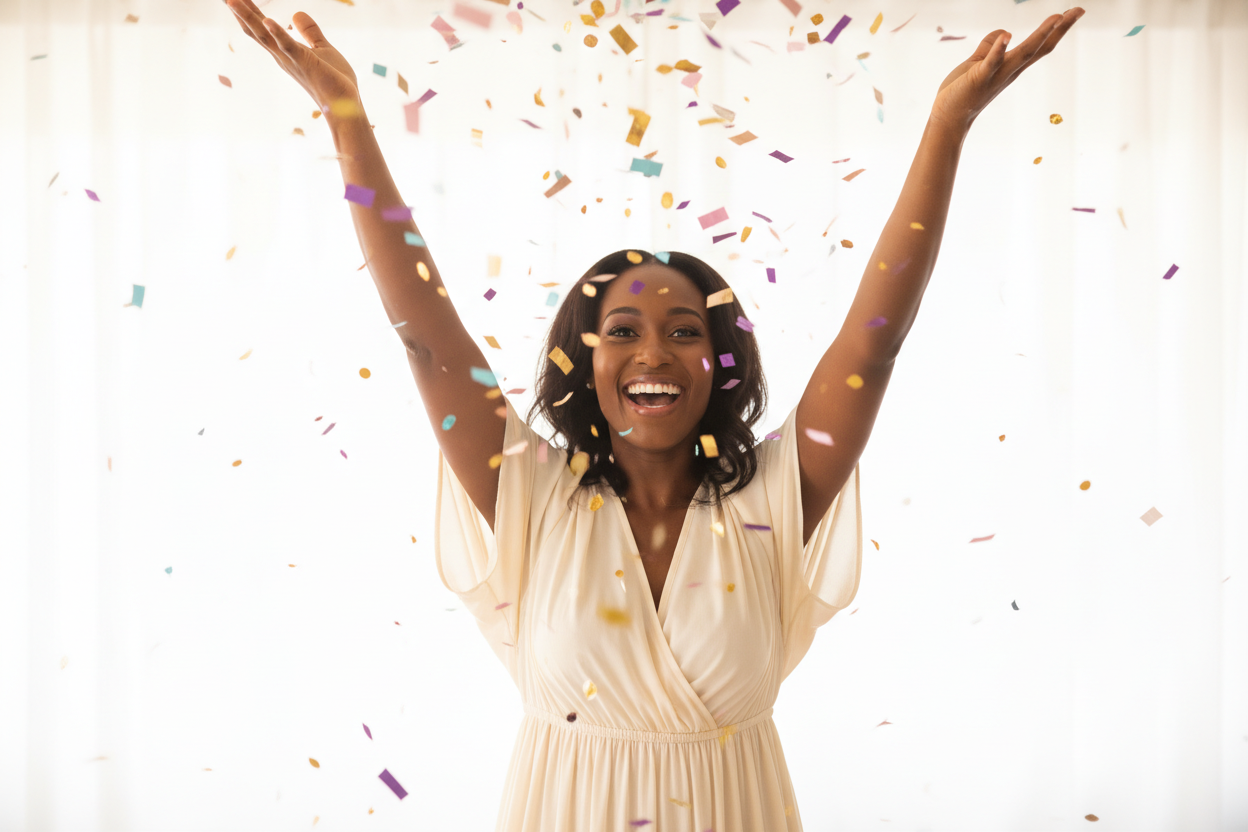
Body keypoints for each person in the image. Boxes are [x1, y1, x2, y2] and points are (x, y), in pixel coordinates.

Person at [223, 2, 1085, 828]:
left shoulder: (777, 498)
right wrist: (346, 119)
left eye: (685, 330)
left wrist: (946, 130)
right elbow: (427, 342)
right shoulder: (532, 495)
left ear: (721, 363)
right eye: (622, 331)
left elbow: (874, 344)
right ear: (581, 359)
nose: (653, 353)